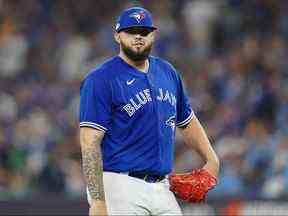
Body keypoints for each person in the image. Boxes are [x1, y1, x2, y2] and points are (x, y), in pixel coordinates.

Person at [79, 6, 219, 216]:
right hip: (119, 185)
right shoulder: (101, 79)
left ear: (153, 35)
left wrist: (212, 159)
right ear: (117, 36)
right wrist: (98, 200)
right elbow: (89, 141)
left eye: (144, 32)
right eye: (131, 31)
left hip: (162, 187)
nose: (138, 36)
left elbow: (187, 120)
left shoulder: (167, 72)